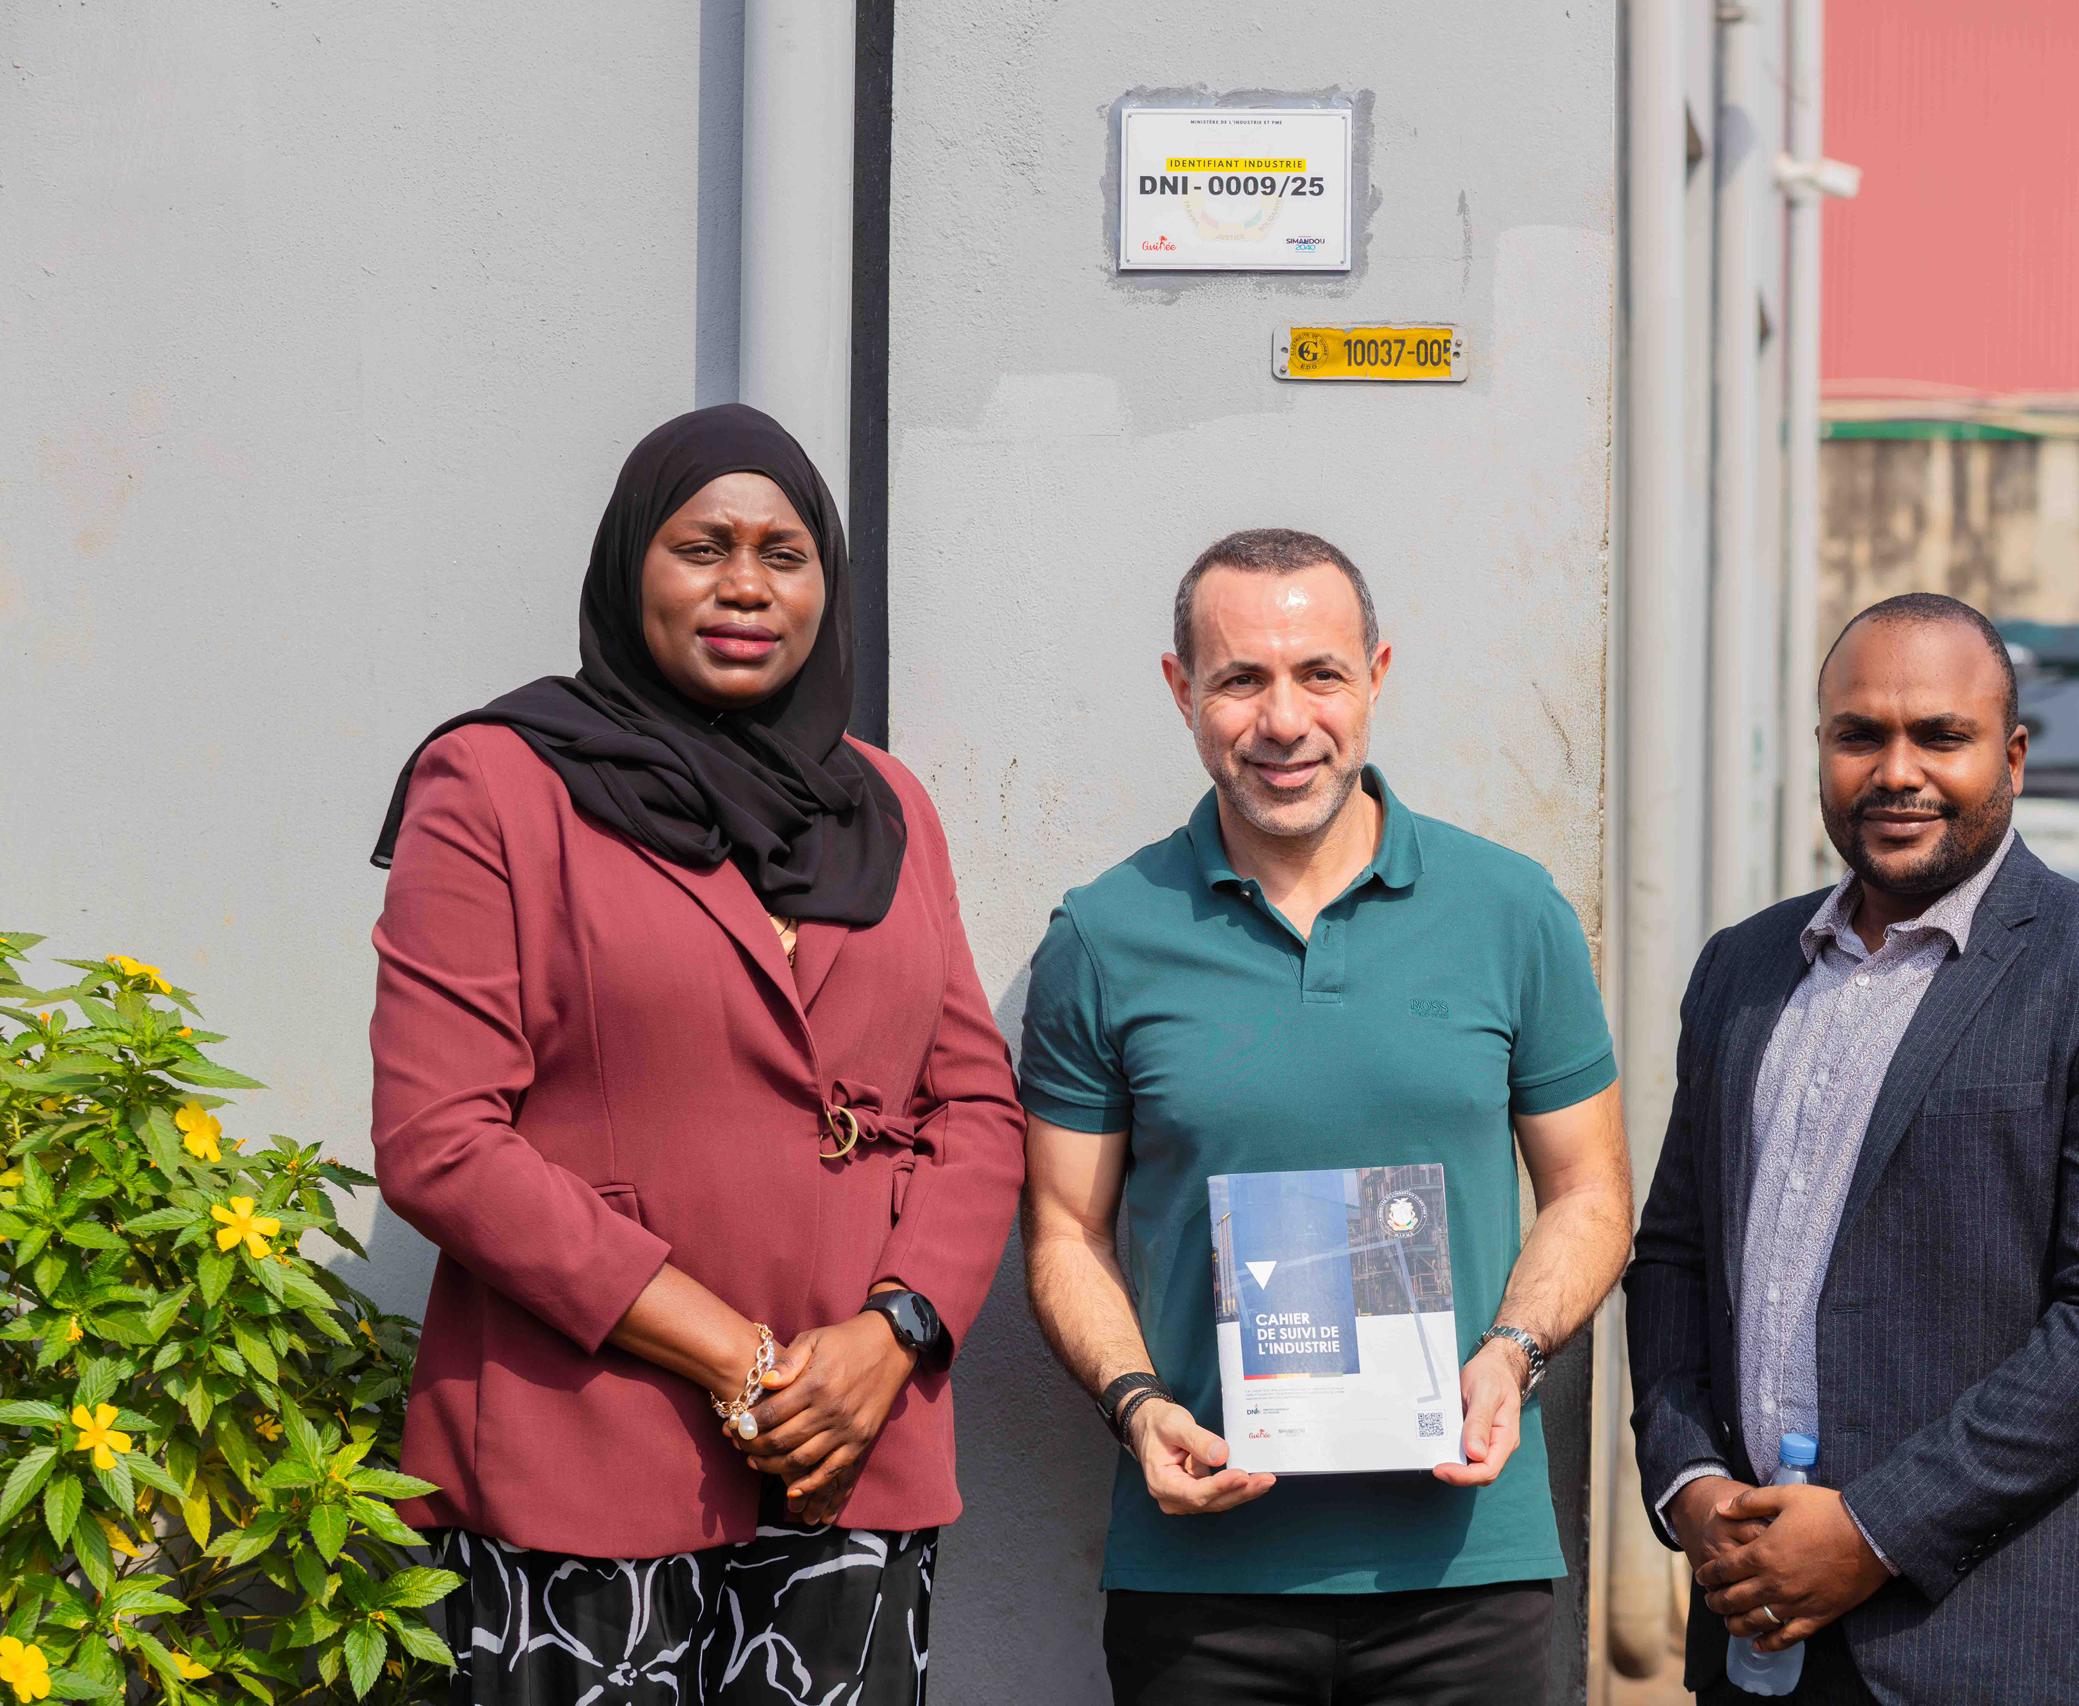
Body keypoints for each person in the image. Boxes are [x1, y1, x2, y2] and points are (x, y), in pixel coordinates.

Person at [368, 404, 1024, 1704]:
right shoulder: (498, 783)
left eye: (784, 554)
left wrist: (894, 1332)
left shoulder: (884, 804)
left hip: (849, 1456)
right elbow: (438, 1139)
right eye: (703, 546)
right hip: (584, 1450)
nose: (745, 586)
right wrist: (742, 1359)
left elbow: (976, 1108)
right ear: (632, 565)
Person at [1018, 528, 1631, 1705]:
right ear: (1181, 690)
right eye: (1240, 679)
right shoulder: (1103, 934)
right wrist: (1136, 1406)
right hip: (1200, 1578)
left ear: (1377, 676)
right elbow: (1063, 1228)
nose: (1284, 719)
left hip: (1466, 1569)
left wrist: (1514, 1350)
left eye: (1320, 674)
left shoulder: (1513, 912)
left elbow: (1591, 1190)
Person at [1625, 592, 2079, 1704]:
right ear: (1821, 747)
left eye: (1940, 736)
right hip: (1758, 1629)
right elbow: (1673, 1253)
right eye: (1860, 735)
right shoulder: (1741, 969)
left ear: (2012, 756)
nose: (1896, 771)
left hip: (2003, 1647)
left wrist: (1873, 1528)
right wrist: (1690, 1478)